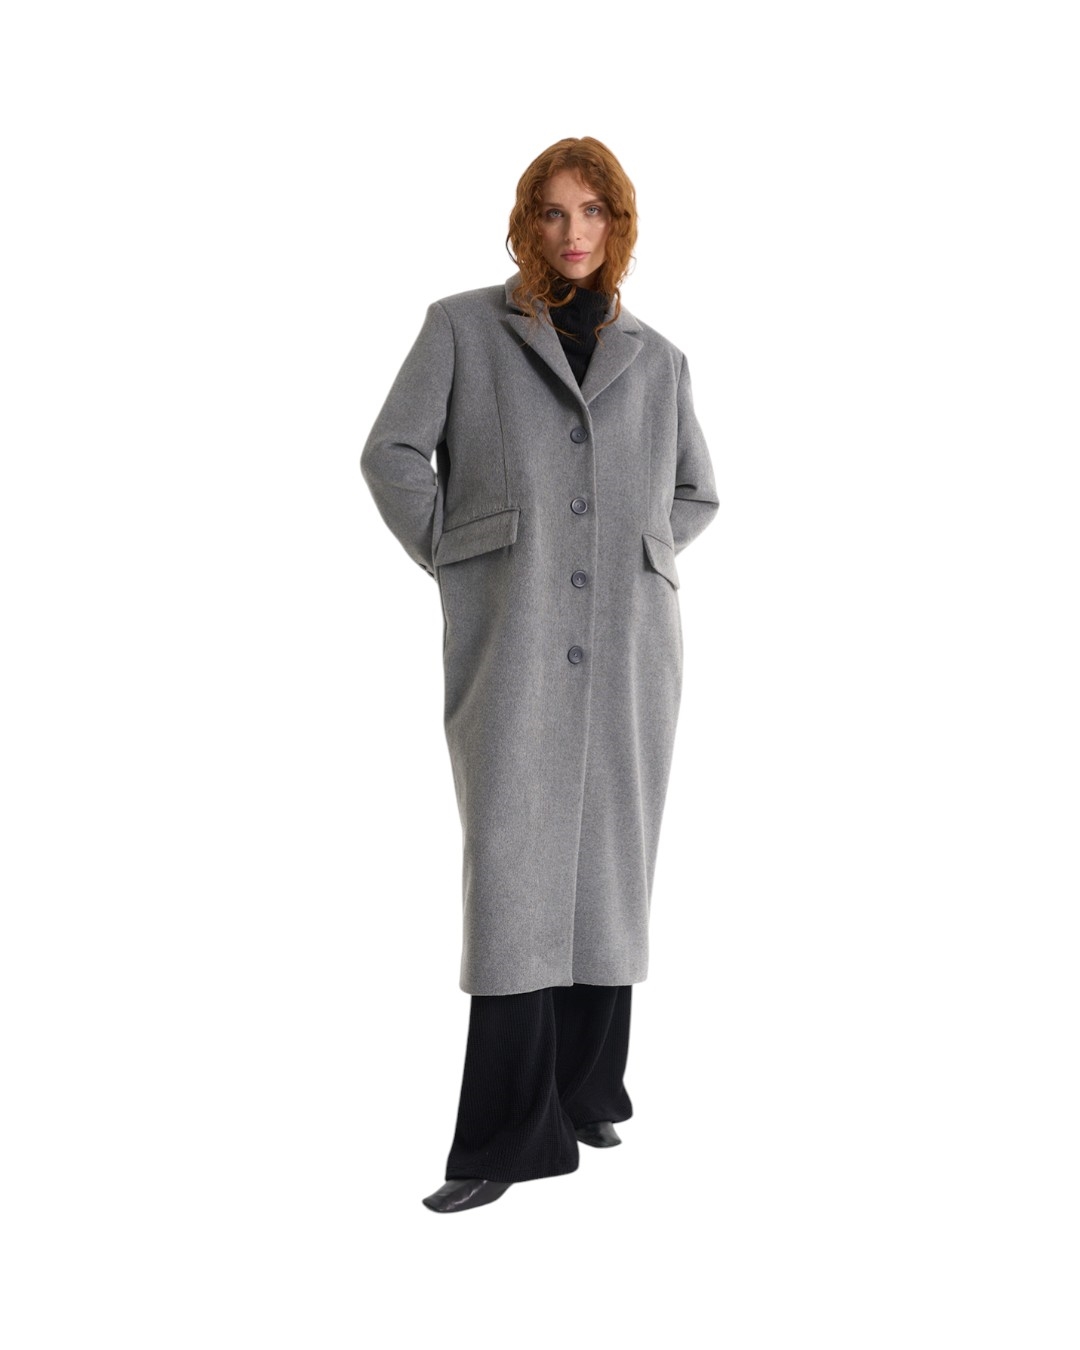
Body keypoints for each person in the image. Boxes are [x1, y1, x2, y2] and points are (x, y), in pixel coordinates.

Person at [360, 137, 719, 1213]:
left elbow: (698, 492)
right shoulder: (463, 327)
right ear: (527, 221)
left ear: (618, 226)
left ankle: (588, 1086)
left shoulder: (658, 358)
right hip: (512, 640)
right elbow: (391, 453)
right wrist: (461, 552)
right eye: (555, 212)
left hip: (630, 645)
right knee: (515, 869)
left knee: (610, 858)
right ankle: (505, 1138)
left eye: (593, 213)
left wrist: (641, 554)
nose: (574, 233)